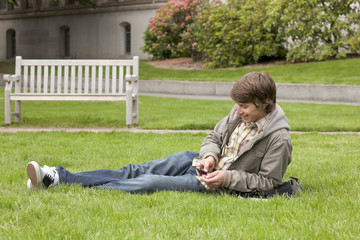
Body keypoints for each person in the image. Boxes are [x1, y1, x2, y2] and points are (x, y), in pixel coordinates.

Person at [26, 72, 293, 196]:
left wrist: (225, 177)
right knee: (135, 170)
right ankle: (58, 176)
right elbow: (213, 137)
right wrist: (209, 156)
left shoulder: (278, 138)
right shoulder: (239, 114)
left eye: (244, 106)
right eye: (237, 105)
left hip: (215, 183)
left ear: (264, 105)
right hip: (199, 164)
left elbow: (268, 183)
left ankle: (60, 184)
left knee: (148, 183)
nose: (237, 111)